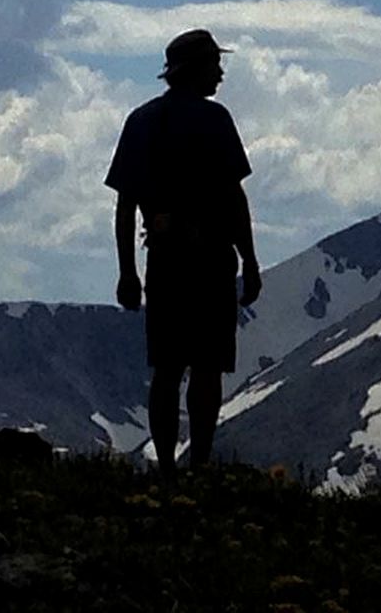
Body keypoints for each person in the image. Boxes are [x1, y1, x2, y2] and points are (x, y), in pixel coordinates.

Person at [105, 29, 262, 478]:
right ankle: (201, 462)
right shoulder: (216, 121)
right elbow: (234, 198)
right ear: (197, 69)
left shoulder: (142, 120)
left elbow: (125, 202)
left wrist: (127, 271)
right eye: (215, 65)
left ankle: (169, 468)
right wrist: (249, 260)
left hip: (167, 260)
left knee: (168, 366)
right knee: (208, 366)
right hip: (212, 260)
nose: (220, 74)